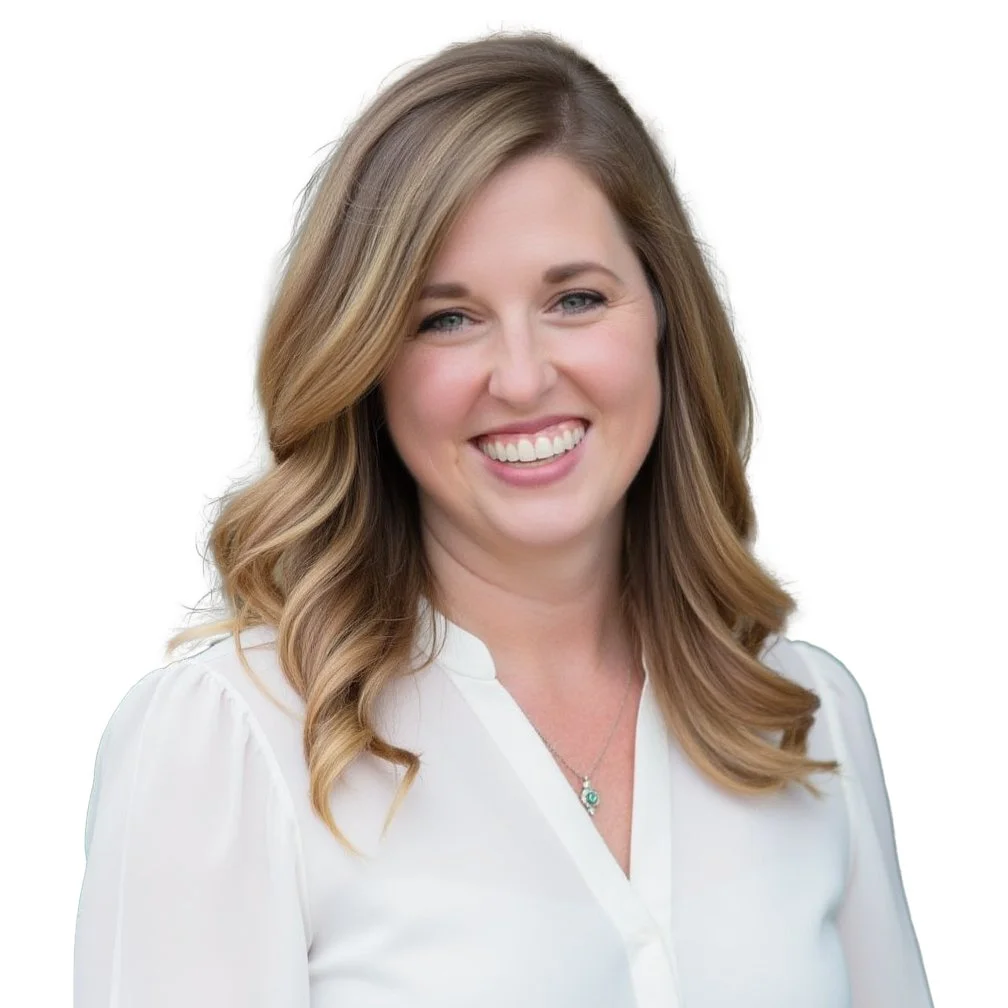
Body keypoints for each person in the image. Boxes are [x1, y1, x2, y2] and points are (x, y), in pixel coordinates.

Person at [73, 29, 934, 1008]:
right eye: (447, 318)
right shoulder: (233, 741)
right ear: (367, 364)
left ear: (663, 315)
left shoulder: (802, 718)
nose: (523, 377)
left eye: (575, 298)